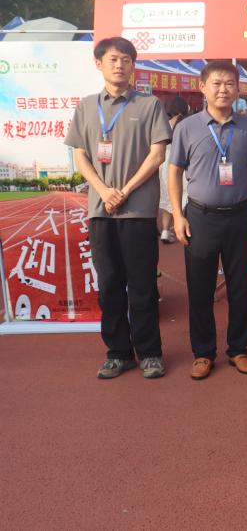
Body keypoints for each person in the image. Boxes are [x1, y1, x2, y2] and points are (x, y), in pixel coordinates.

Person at [65, 37, 172, 379]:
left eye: (126, 59)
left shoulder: (149, 105)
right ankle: (118, 353)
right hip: (101, 212)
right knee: (109, 285)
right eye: (113, 59)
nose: (120, 65)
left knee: (142, 285)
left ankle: (150, 353)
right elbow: (80, 155)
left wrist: (124, 190)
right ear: (99, 64)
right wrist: (102, 190)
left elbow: (157, 155)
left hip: (137, 211)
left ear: (133, 65)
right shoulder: (86, 106)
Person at [168, 61, 247, 380]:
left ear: (238, 89)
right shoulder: (187, 127)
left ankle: (239, 349)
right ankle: (203, 353)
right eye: (216, 83)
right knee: (200, 288)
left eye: (229, 84)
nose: (223, 89)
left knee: (240, 288)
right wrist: (177, 215)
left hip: (239, 216)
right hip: (200, 217)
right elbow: (174, 172)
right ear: (203, 87)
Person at [158, 97, 189, 243]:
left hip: (165, 164)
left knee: (166, 197)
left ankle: (165, 231)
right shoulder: (188, 125)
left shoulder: (164, 125)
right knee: (185, 196)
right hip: (183, 164)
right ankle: (185, 228)